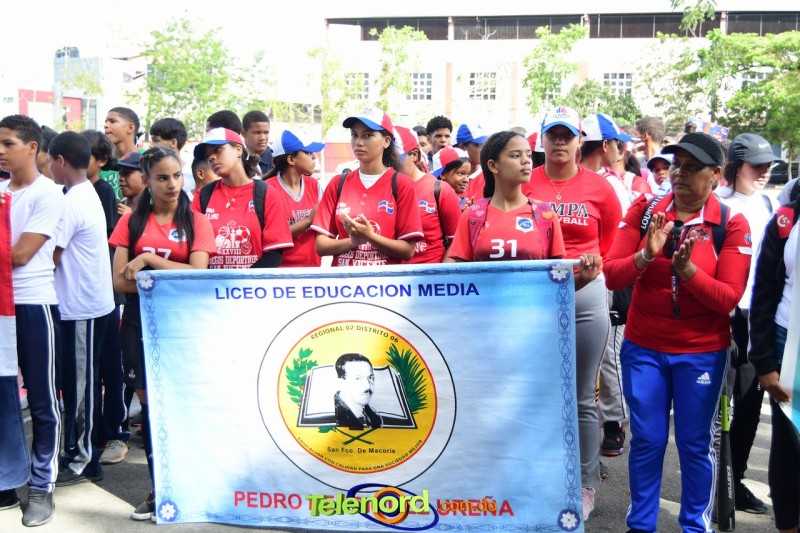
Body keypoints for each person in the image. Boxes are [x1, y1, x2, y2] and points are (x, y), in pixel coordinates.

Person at [604, 132, 752, 533]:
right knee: (648, 439)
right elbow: (612, 273)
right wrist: (646, 254)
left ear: (716, 174)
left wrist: (688, 272)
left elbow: (728, 297)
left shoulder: (731, 223)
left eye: (692, 167)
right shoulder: (645, 209)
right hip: (644, 347)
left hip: (702, 352)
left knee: (693, 443)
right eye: (676, 166)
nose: (679, 174)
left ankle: (694, 527)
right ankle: (641, 525)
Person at [522, 106, 622, 521]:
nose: (560, 142)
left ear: (580, 141)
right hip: (534, 294)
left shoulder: (600, 188)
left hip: (585, 291)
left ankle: (584, 483)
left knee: (581, 395)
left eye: (567, 135)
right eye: (553, 134)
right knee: (535, 391)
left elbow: (611, 242)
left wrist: (590, 269)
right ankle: (538, 476)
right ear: (541, 140)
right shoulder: (525, 180)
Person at [109, 147, 216, 521]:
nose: (172, 184)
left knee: (185, 407)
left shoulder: (197, 221)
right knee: (153, 412)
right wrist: (169, 272)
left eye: (177, 176)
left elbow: (198, 275)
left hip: (184, 326)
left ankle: (195, 487)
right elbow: (119, 282)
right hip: (138, 325)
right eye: (162, 178)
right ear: (146, 181)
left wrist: (150, 262)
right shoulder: (131, 223)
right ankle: (161, 492)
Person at [0, 115, 66, 527]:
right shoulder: (1, 192)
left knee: (42, 401)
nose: (0, 151)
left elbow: (22, 255)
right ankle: (7, 479)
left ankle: (42, 487)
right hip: (0, 306)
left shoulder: (48, 194)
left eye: (8, 143)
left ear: (32, 147)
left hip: (33, 304)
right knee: (4, 399)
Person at [47, 132, 117, 486]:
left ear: (59, 161)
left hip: (81, 307)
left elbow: (50, 256)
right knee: (79, 383)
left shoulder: (73, 201)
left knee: (80, 386)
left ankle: (82, 460)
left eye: (49, 160)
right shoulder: (82, 192)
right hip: (85, 304)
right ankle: (79, 452)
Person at [717, 133, 781, 515]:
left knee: (750, 402)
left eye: (768, 165)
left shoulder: (769, 203)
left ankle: (735, 479)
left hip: (756, 316)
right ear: (735, 166)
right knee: (719, 405)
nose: (764, 171)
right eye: (757, 165)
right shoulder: (718, 204)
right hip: (724, 314)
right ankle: (713, 480)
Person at [311, 108, 423, 266]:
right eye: (354, 135)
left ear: (386, 141)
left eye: (368, 135)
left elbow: (407, 251)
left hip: (385, 281)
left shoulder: (402, 184)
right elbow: (321, 246)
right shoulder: (338, 183)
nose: (359, 142)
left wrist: (370, 236)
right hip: (343, 280)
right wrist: (352, 242)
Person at [749, 196, 799, 533]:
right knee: (789, 442)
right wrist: (765, 363)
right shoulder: (787, 218)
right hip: (787, 344)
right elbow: (764, 290)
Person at [79, 130, 129, 466]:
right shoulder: (70, 191)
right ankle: (94, 432)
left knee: (110, 366)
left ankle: (115, 433)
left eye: (84, 156)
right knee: (90, 369)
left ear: (100, 161)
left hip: (105, 293)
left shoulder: (102, 191)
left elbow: (107, 242)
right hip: (82, 295)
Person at [447, 130, 568, 263]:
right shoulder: (472, 216)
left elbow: (558, 271)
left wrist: (583, 273)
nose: (526, 161)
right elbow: (461, 272)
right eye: (516, 155)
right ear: (493, 166)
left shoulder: (545, 213)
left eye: (528, 155)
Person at [191, 128, 292, 269]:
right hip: (211, 283)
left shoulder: (267, 193)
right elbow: (192, 248)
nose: (211, 158)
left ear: (238, 150)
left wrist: (243, 280)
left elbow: (274, 254)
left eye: (217, 150)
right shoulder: (202, 195)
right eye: (207, 155)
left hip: (253, 282)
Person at [394, 125, 461, 264]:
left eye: (394, 159)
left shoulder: (440, 190)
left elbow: (457, 243)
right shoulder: (383, 188)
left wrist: (440, 275)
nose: (389, 164)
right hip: (390, 276)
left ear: (414, 155)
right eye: (384, 159)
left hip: (429, 275)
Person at [263, 130, 324, 267]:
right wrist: (308, 220)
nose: (314, 156)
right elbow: (273, 237)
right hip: (280, 272)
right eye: (308, 152)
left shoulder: (314, 185)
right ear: (291, 159)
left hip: (312, 270)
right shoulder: (267, 189)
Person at [334, 353, 383, 430]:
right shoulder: (332, 417)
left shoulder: (374, 417)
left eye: (370, 377)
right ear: (341, 382)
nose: (368, 386)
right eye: (358, 378)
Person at [148, 118, 192, 197]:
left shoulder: (192, 174)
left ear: (173, 143)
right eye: (162, 178)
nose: (150, 145)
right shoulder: (149, 171)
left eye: (156, 140)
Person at [456, 123, 489, 205]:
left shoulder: (490, 176)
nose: (483, 149)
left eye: (485, 144)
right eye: (478, 145)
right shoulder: (448, 176)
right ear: (462, 147)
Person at [241, 110, 273, 175]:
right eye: (257, 133)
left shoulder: (277, 161)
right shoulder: (237, 161)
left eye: (266, 132)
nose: (263, 138)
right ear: (243, 133)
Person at [116, 152, 146, 217]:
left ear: (144, 176)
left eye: (127, 173)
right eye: (120, 173)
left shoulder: (154, 209)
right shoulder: (116, 208)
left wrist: (129, 217)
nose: (121, 178)